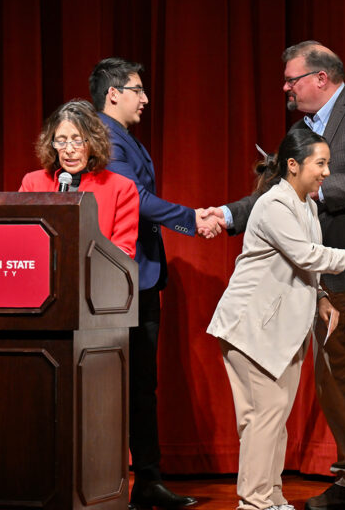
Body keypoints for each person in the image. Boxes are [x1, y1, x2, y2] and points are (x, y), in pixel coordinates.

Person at [203, 41, 345, 510]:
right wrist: (226, 214)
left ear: (320, 78)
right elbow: (277, 193)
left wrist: (320, 188)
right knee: (336, 385)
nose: (285, 88)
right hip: (323, 284)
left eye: (292, 79)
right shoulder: (299, 132)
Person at [208, 128, 345, 510]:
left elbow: (305, 263)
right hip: (252, 328)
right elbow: (309, 255)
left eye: (328, 163)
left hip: (281, 330)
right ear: (293, 165)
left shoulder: (305, 204)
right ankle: (255, 502)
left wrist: (321, 296)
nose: (327, 172)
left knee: (271, 419)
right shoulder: (273, 205)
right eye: (320, 164)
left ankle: (270, 497)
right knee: (262, 418)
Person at [89, 58, 217, 509]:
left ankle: (147, 480)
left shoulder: (127, 139)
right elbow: (135, 200)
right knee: (118, 385)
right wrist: (192, 219)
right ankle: (112, 480)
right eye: (137, 90)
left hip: (141, 278)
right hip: (116, 281)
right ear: (113, 94)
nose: (145, 99)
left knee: (142, 385)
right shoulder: (103, 137)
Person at [19, 99, 138, 258]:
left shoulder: (122, 188)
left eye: (77, 140)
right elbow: (20, 238)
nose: (69, 149)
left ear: (94, 142)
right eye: (61, 141)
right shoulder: (33, 183)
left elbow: (123, 252)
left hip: (96, 272)